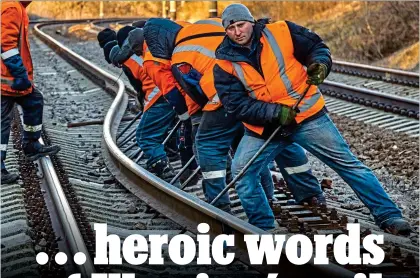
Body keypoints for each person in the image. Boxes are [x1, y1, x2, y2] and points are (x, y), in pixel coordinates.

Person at [212, 3, 413, 235]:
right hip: (265, 128)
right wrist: (275, 113)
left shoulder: (282, 31)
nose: (238, 32)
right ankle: (263, 228)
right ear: (226, 31)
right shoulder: (223, 63)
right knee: (242, 172)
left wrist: (320, 64)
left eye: (241, 25)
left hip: (307, 116)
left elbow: (317, 47)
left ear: (252, 22)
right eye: (231, 28)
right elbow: (236, 105)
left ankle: (389, 215)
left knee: (348, 165)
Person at [142, 18, 326, 212]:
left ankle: (218, 203)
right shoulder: (210, 22)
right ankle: (309, 194)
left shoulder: (180, 56)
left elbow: (195, 97)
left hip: (226, 98)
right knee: (275, 138)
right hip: (258, 88)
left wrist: (197, 123)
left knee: (207, 144)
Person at [1, 1, 60, 184]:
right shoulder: (12, 8)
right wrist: (19, 73)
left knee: (34, 101)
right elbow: (5, 43)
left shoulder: (19, 8)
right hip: (7, 79)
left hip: (12, 79)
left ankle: (31, 144)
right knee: (2, 122)